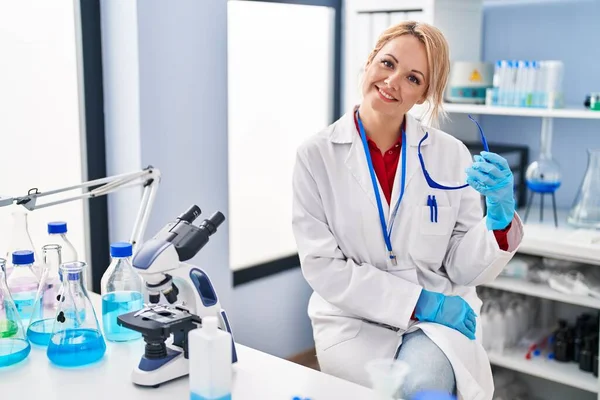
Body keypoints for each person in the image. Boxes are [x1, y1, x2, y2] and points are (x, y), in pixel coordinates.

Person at [291, 20, 523, 400]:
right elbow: (322, 266)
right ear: (369, 62)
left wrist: (496, 219)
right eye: (387, 63)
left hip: (436, 319)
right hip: (353, 322)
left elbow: (461, 264)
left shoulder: (449, 154)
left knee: (424, 388)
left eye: (413, 78)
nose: (393, 81)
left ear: (423, 94)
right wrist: (417, 302)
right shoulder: (316, 156)